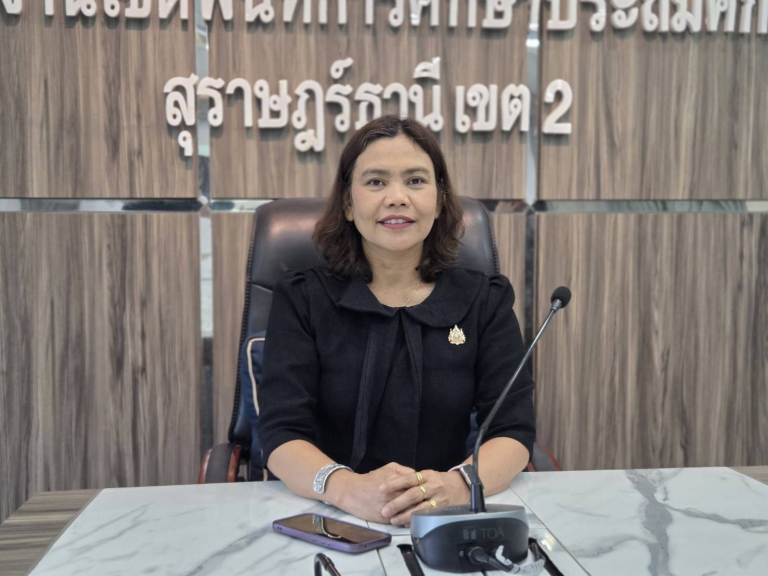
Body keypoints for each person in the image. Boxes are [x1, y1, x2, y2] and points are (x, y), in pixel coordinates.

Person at [257, 116, 535, 527]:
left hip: (449, 518)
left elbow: (513, 430)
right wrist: (346, 489)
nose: (397, 198)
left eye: (416, 181)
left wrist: (457, 486)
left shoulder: (484, 300)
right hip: (333, 516)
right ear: (348, 204)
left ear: (439, 201)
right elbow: (281, 433)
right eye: (375, 182)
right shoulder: (302, 299)